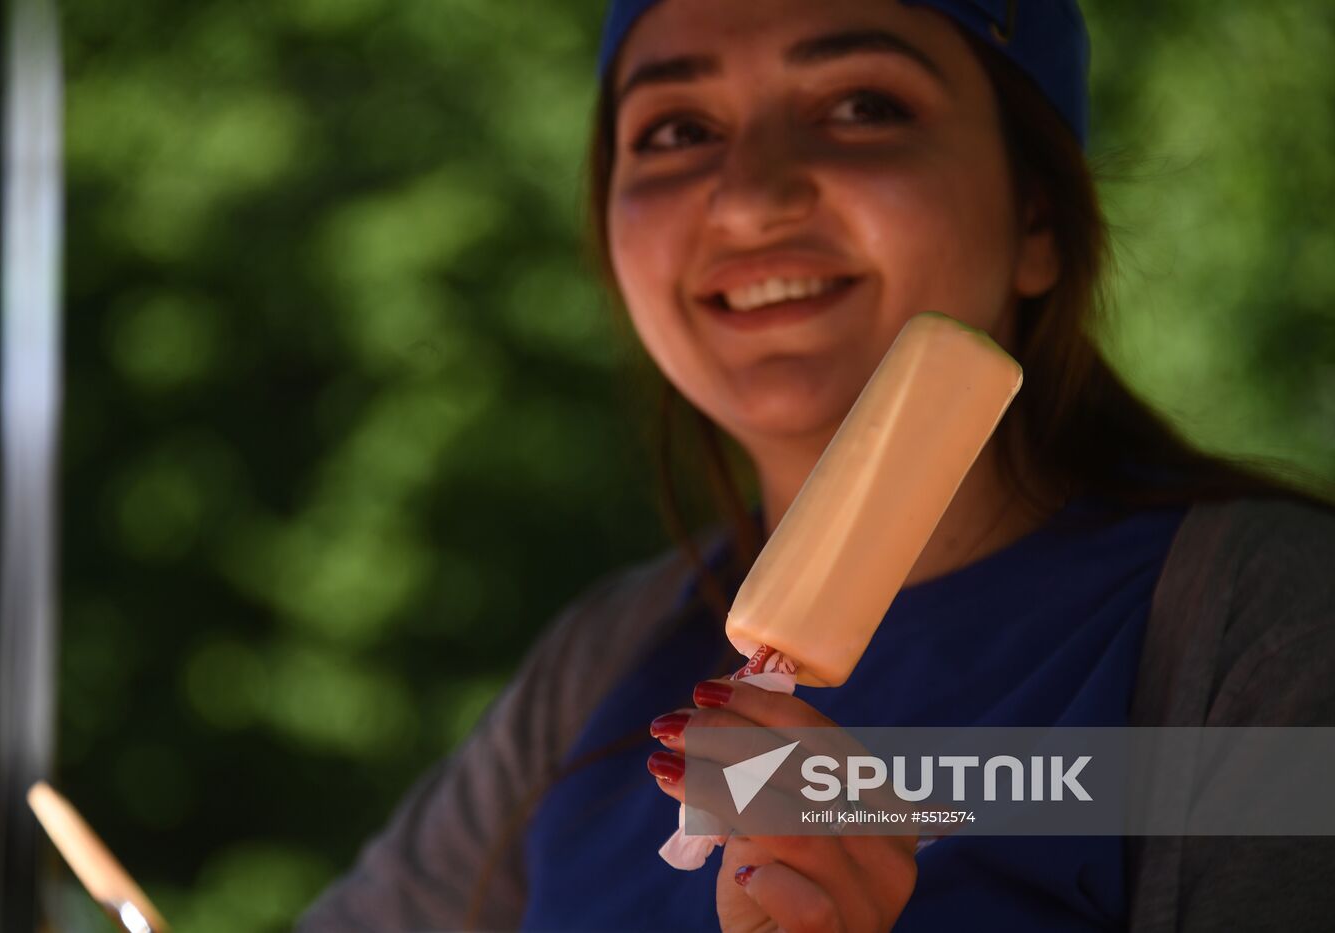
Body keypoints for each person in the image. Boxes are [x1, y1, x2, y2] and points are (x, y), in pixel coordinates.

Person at [297, 0, 1335, 929]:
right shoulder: (600, 665)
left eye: (860, 107)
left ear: (1036, 217)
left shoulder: (1271, 628)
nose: (748, 198)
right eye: (675, 130)